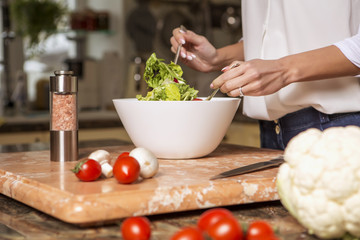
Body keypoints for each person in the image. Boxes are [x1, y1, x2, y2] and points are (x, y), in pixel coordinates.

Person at [170, 0, 360, 150]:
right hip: (271, 130)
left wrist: (283, 69)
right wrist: (218, 58)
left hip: (338, 129)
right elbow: (274, 36)